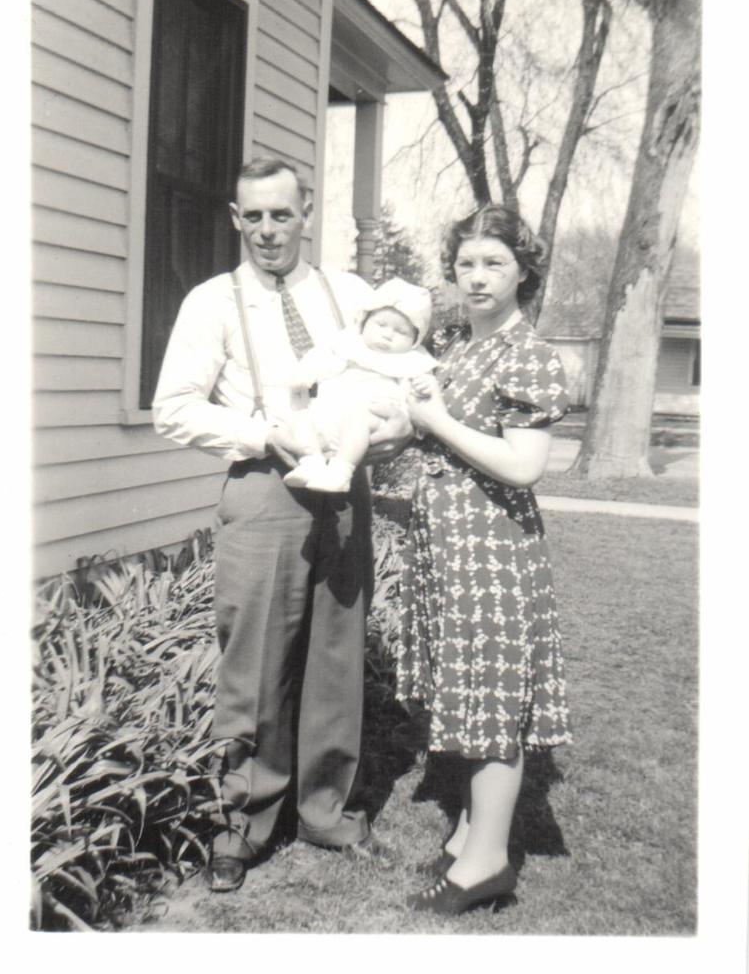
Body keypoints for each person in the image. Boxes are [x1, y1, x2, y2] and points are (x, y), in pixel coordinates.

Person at [153, 156, 409, 893]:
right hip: (263, 489)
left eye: (281, 214)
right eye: (253, 217)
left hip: (344, 487)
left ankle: (325, 808)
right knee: (254, 661)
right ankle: (243, 823)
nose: (267, 230)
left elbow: (393, 380)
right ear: (236, 220)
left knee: (335, 653)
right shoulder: (212, 301)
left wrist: (390, 432)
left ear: (306, 214)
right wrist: (268, 431)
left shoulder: (350, 295)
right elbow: (175, 407)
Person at [396, 204, 572, 917]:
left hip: (492, 547)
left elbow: (523, 466)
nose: (476, 276)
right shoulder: (456, 345)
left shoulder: (526, 354)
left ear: (522, 271)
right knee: (465, 689)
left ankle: (488, 863)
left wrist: (433, 421)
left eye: (493, 263)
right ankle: (473, 830)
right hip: (447, 543)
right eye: (465, 262)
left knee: (491, 695)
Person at [284, 276, 437, 493]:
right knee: (300, 412)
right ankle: (311, 462)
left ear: (415, 340)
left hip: (370, 417)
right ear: (364, 321)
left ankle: (341, 471)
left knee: (358, 417)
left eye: (401, 331)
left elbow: (419, 395)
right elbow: (319, 360)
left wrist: (422, 387)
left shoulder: (412, 361)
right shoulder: (348, 344)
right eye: (381, 324)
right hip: (329, 412)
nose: (387, 335)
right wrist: (304, 375)